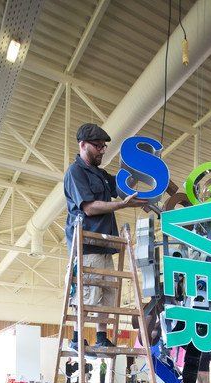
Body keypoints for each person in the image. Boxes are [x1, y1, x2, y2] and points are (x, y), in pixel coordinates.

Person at [64, 123, 143, 356]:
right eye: (97, 146)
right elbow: (89, 207)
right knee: (87, 293)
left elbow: (121, 186)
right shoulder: (75, 172)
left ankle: (101, 337)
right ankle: (77, 339)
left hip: (106, 244)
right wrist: (121, 205)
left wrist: (139, 174)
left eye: (104, 147)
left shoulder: (100, 174)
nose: (101, 150)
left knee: (108, 294)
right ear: (83, 145)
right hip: (86, 245)